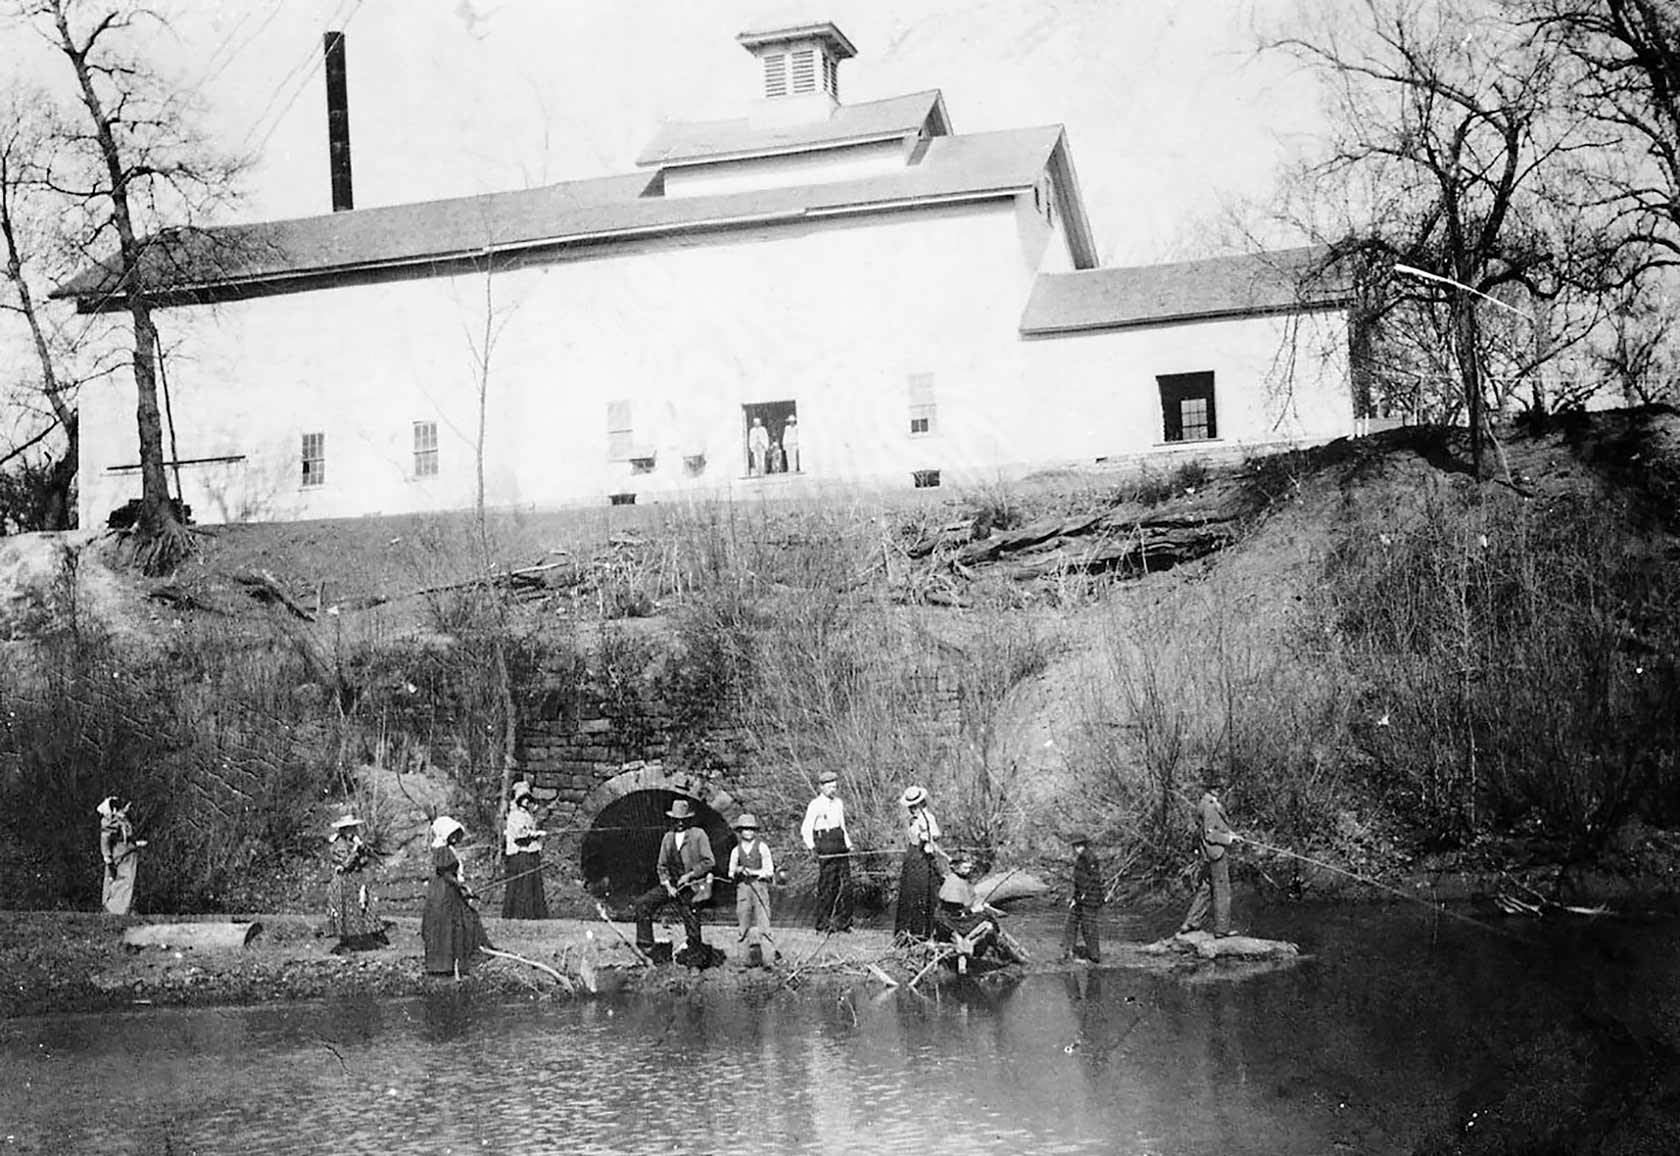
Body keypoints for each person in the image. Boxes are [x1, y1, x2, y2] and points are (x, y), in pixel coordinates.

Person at [633, 798, 716, 964]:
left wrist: (691, 874)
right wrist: (667, 885)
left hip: (691, 886)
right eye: (676, 820)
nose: (679, 823)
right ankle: (646, 947)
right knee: (643, 904)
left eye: (682, 820)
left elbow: (709, 861)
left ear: (688, 820)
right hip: (673, 884)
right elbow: (661, 866)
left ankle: (694, 957)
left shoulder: (698, 835)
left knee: (691, 917)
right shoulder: (668, 838)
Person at [422, 816, 492, 978]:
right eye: (452, 834)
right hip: (444, 892)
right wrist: (463, 887)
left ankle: (459, 959)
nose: (456, 837)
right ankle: (449, 963)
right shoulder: (442, 850)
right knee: (452, 923)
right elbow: (446, 874)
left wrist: (463, 888)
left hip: (449, 890)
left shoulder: (447, 849)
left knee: (462, 920)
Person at [934, 856, 1024, 973]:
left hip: (953, 917)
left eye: (969, 867)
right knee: (986, 918)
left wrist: (978, 906)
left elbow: (969, 899)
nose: (968, 870)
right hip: (951, 920)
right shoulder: (954, 882)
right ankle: (998, 949)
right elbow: (957, 909)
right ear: (956, 868)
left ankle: (999, 947)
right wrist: (973, 910)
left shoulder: (960, 880)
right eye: (965, 868)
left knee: (986, 915)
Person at [1178, 782, 1241, 938]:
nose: (1222, 790)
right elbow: (1210, 835)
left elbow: (1216, 827)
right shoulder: (1210, 807)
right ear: (1213, 789)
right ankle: (1222, 930)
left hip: (1208, 853)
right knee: (1222, 890)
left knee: (1206, 889)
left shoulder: (1205, 803)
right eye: (1219, 788)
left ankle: (1191, 922)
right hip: (1216, 853)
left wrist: (1231, 834)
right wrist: (1229, 840)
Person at [800, 770, 854, 932]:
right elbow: (806, 829)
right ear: (821, 787)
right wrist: (812, 848)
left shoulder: (838, 803)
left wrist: (848, 844)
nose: (833, 788)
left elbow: (842, 825)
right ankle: (823, 924)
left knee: (845, 885)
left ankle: (844, 923)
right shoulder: (815, 805)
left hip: (839, 843)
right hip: (825, 844)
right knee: (827, 885)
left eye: (834, 785)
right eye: (829, 785)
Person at [325, 815, 387, 952]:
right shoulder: (339, 844)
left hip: (353, 879)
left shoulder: (352, 842)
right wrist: (355, 850)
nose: (354, 831)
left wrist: (361, 848)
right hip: (342, 881)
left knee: (358, 908)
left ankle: (359, 940)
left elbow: (365, 858)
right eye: (351, 828)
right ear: (344, 829)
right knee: (344, 910)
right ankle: (347, 942)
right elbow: (345, 864)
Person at [893, 785, 944, 941]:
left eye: (915, 806)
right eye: (911, 807)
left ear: (922, 803)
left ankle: (921, 934)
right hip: (912, 858)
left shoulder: (928, 818)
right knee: (908, 894)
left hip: (923, 859)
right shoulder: (912, 820)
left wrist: (926, 835)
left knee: (923, 894)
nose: (912, 809)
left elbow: (935, 835)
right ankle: (905, 934)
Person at [727, 812, 774, 968]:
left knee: (764, 926)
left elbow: (769, 871)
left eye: (751, 829)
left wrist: (754, 872)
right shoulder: (735, 850)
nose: (748, 832)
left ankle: (769, 961)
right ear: (740, 831)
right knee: (743, 927)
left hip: (760, 887)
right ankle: (743, 961)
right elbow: (730, 872)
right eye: (745, 829)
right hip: (743, 889)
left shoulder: (762, 847)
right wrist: (739, 870)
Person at [500, 781, 549, 920]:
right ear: (519, 799)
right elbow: (519, 835)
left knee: (532, 883)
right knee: (522, 884)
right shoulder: (514, 815)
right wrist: (534, 834)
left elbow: (530, 830)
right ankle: (519, 913)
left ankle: (533, 913)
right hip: (520, 853)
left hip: (530, 853)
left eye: (528, 798)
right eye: (524, 798)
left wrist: (537, 834)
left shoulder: (528, 815)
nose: (527, 801)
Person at [1061, 831, 1104, 963]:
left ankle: (1094, 955)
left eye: (1078, 846)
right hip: (1082, 897)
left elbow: (1093, 880)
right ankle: (1069, 951)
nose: (1076, 849)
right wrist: (1076, 897)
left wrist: (1082, 896)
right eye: (1075, 846)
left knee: (1088, 925)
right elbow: (1079, 881)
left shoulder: (1090, 858)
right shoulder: (1082, 858)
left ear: (1084, 845)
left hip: (1090, 899)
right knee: (1071, 922)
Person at [97, 796, 142, 915]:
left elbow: (125, 838)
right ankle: (114, 910)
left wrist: (136, 843)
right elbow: (105, 840)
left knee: (127, 882)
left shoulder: (123, 820)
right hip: (120, 857)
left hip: (128, 855)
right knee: (119, 882)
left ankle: (124, 909)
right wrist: (107, 857)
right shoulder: (112, 821)